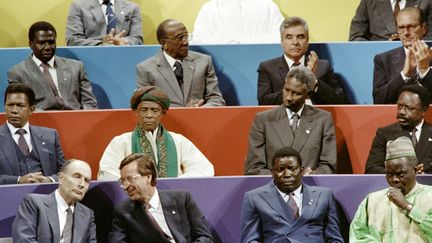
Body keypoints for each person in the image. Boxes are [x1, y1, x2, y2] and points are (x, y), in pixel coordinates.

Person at [98, 86, 214, 180]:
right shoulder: (121, 141)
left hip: (172, 198)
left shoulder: (178, 140)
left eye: (154, 110)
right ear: (136, 112)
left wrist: (176, 182)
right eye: (144, 110)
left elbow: (204, 168)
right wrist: (133, 184)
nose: (149, 115)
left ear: (162, 113)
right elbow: (106, 174)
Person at [245, 66, 337, 175]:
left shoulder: (323, 120)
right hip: (274, 188)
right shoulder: (263, 120)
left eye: (296, 93)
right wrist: (281, 177)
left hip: (310, 187)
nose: (288, 97)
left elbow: (329, 166)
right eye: (286, 90)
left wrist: (313, 175)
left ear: (307, 94)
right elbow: (253, 168)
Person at [241, 147, 344, 242]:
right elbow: (250, 240)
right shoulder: (254, 198)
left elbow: (335, 239)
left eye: (292, 168)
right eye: (280, 169)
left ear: (302, 171)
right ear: (272, 172)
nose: (287, 175)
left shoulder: (324, 196)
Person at [108, 153, 214, 242]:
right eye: (123, 181)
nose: (125, 186)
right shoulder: (123, 212)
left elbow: (205, 237)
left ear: (148, 177)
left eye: (130, 179)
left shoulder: (182, 199)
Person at [350, 136, 432, 242]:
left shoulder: (429, 196)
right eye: (389, 174)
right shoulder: (372, 200)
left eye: (400, 174)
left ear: (415, 170)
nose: (394, 180)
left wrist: (407, 206)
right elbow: (358, 236)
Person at [257, 16, 349, 105]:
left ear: (307, 41)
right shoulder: (268, 68)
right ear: (281, 42)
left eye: (300, 37)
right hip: (283, 119)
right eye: (289, 37)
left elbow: (340, 101)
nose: (295, 42)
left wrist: (313, 81)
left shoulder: (323, 66)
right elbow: (264, 102)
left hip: (316, 119)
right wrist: (299, 84)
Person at [8, 21, 98, 110]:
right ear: (31, 44)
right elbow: (20, 108)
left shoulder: (77, 67)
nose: (47, 47)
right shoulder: (17, 73)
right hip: (41, 121)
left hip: (76, 120)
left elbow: (89, 103)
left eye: (51, 42)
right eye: (42, 43)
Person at [136, 19, 226, 107]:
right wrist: (181, 114)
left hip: (198, 119)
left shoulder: (204, 62)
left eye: (186, 36)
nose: (186, 42)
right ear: (164, 43)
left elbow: (217, 99)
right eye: (180, 38)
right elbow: (143, 106)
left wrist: (200, 110)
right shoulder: (146, 69)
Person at [12, 159, 96, 242]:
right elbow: (24, 240)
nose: (82, 184)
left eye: (87, 180)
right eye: (77, 177)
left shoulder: (87, 214)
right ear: (61, 178)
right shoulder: (34, 203)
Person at [0, 83, 65, 185]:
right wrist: (18, 180)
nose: (14, 110)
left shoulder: (50, 136)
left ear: (32, 109)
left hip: (47, 195)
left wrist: (50, 180)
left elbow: (64, 171)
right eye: (10, 105)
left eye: (20, 106)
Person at [366, 85, 432, 174]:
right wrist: (401, 173)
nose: (401, 112)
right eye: (399, 106)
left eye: (409, 108)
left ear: (423, 111)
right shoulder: (385, 133)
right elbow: (371, 169)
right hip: (395, 186)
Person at [373, 7, 432, 104]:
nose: (406, 33)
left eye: (411, 27)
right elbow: (379, 101)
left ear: (424, 28)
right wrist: (404, 74)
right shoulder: (383, 59)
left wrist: (425, 71)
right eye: (401, 28)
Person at [191, 0, 283, 44]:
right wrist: (232, 41)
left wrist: (251, 43)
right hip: (220, 66)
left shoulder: (268, 6)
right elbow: (198, 40)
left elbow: (283, 38)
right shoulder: (210, 8)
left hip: (265, 64)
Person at [66, 0, 143, 46]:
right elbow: (73, 40)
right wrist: (101, 44)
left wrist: (123, 42)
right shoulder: (78, 6)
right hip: (90, 58)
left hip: (123, 58)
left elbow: (137, 39)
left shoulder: (132, 8)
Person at [349, 0, 432, 41]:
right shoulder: (369, 2)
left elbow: (430, 37)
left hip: (418, 57)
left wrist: (409, 44)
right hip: (377, 58)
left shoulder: (427, 2)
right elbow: (356, 37)